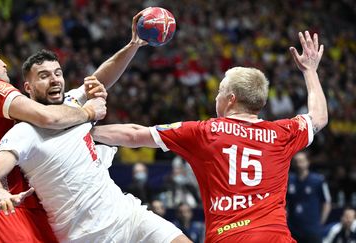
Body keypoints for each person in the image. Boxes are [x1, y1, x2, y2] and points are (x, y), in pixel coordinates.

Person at [91, 31, 327, 243]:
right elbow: (318, 117)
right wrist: (310, 71)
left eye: (220, 91)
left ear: (231, 99)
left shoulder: (204, 132)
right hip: (276, 237)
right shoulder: (281, 133)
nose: (216, 98)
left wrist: (86, 130)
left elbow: (134, 135)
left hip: (228, 237)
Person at [0, 8, 145, 241]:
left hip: (21, 199)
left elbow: (95, 81)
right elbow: (48, 117)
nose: (4, 64)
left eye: (57, 73)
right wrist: (88, 112)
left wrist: (133, 45)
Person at [0, 48, 192, 243]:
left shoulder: (72, 102)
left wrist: (134, 44)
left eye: (58, 73)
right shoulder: (24, 132)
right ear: (28, 88)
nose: (54, 80)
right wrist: (1, 195)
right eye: (44, 76)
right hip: (85, 236)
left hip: (128, 216)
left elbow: (102, 77)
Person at [286, 151, 332, 243]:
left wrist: (320, 223)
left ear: (308, 162)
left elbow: (327, 202)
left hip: (312, 228)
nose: (299, 164)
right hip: (293, 228)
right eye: (296, 161)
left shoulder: (318, 180)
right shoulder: (289, 179)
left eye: (301, 161)